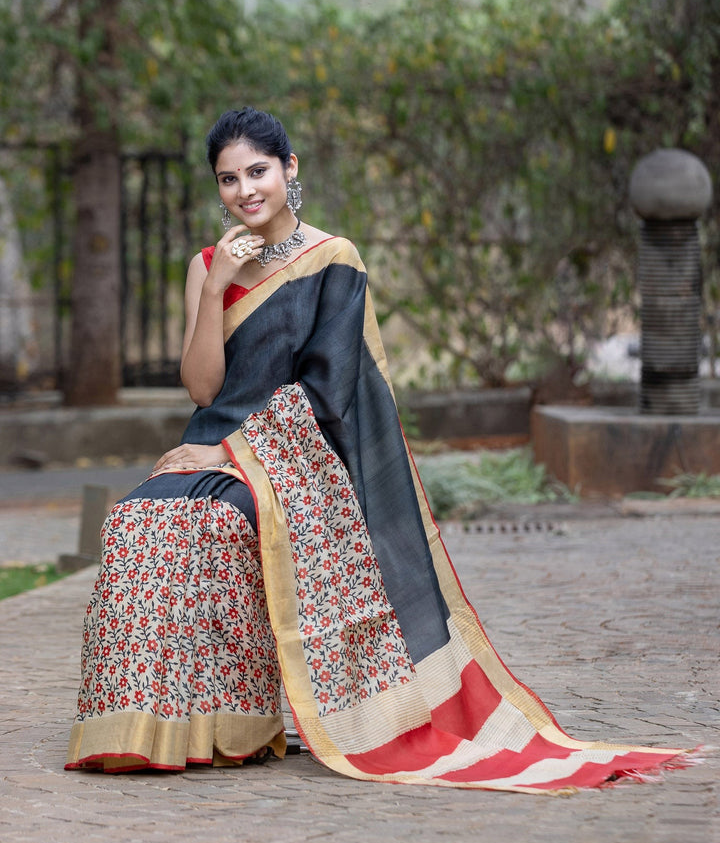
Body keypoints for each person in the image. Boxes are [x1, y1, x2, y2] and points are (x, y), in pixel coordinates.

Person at [67, 106, 693, 790]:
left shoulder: (333, 259)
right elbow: (202, 386)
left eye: (257, 172)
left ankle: (238, 724)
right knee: (140, 520)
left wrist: (231, 456)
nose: (245, 191)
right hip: (211, 443)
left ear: (289, 169)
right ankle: (163, 725)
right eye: (228, 179)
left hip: (292, 461)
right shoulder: (207, 266)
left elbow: (330, 393)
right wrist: (215, 288)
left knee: (212, 523)